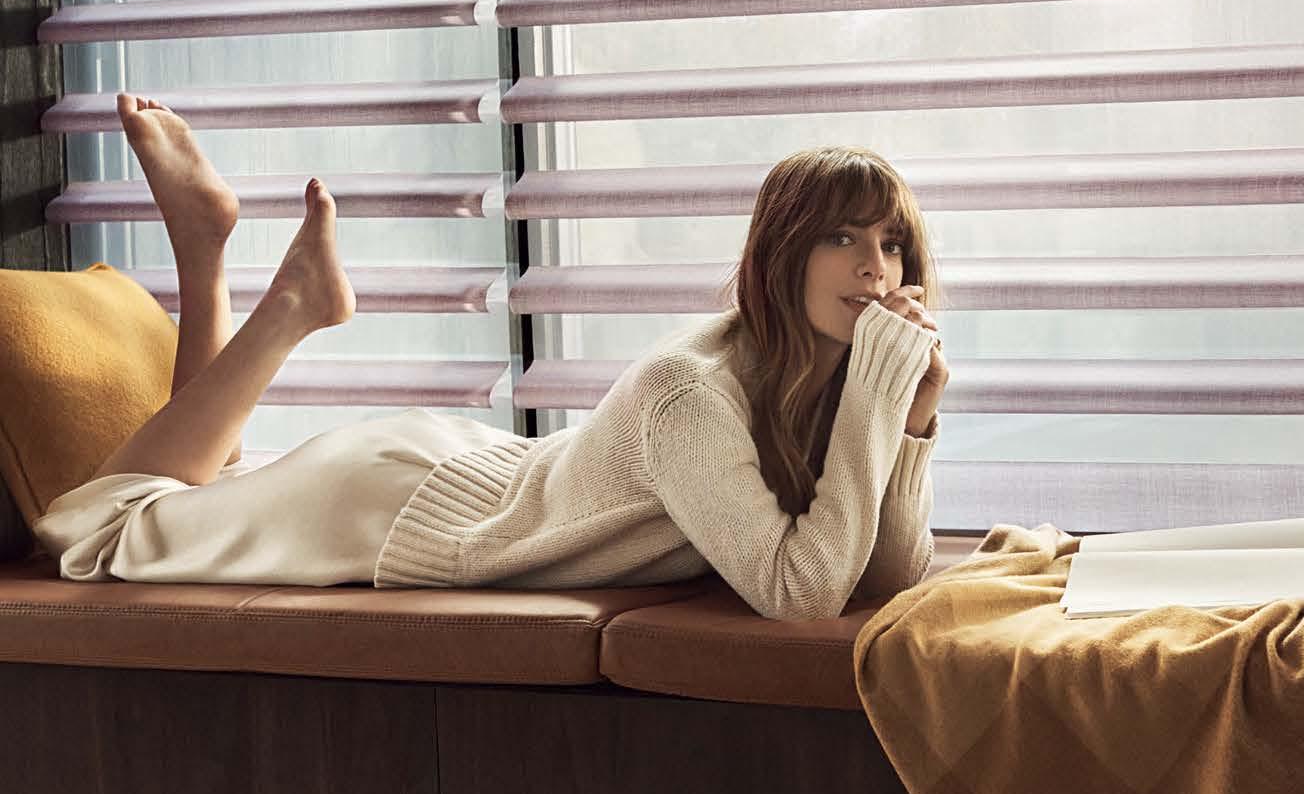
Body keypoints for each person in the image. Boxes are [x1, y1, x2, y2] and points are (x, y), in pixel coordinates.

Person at [31, 93, 951, 621]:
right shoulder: (691, 391)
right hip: (391, 510)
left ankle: (201, 245)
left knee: (201, 489)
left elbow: (883, 576)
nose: (874, 267)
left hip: (469, 470)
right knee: (96, 527)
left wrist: (909, 421)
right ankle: (288, 306)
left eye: (890, 242)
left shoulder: (816, 380)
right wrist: (879, 402)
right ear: (781, 254)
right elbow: (800, 592)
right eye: (840, 238)